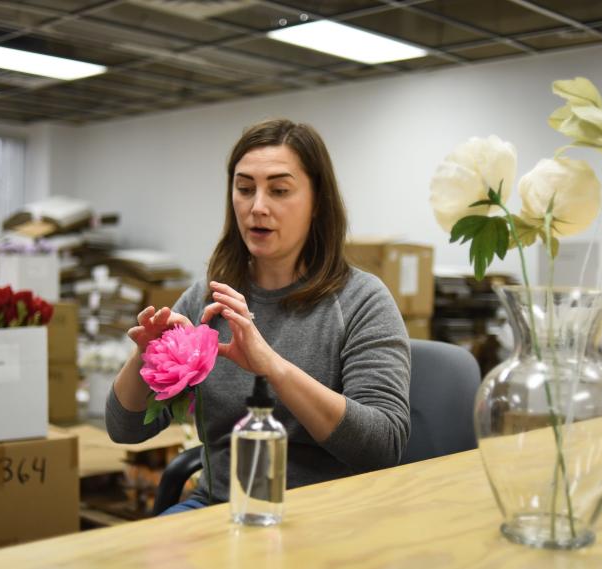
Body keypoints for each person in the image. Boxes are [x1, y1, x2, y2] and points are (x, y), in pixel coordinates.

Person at [106, 118, 411, 514]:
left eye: (280, 190)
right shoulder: (206, 300)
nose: (257, 207)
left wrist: (273, 368)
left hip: (327, 517)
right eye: (245, 189)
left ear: (318, 202)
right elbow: (125, 429)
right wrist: (143, 358)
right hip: (218, 507)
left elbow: (382, 446)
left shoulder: (361, 301)